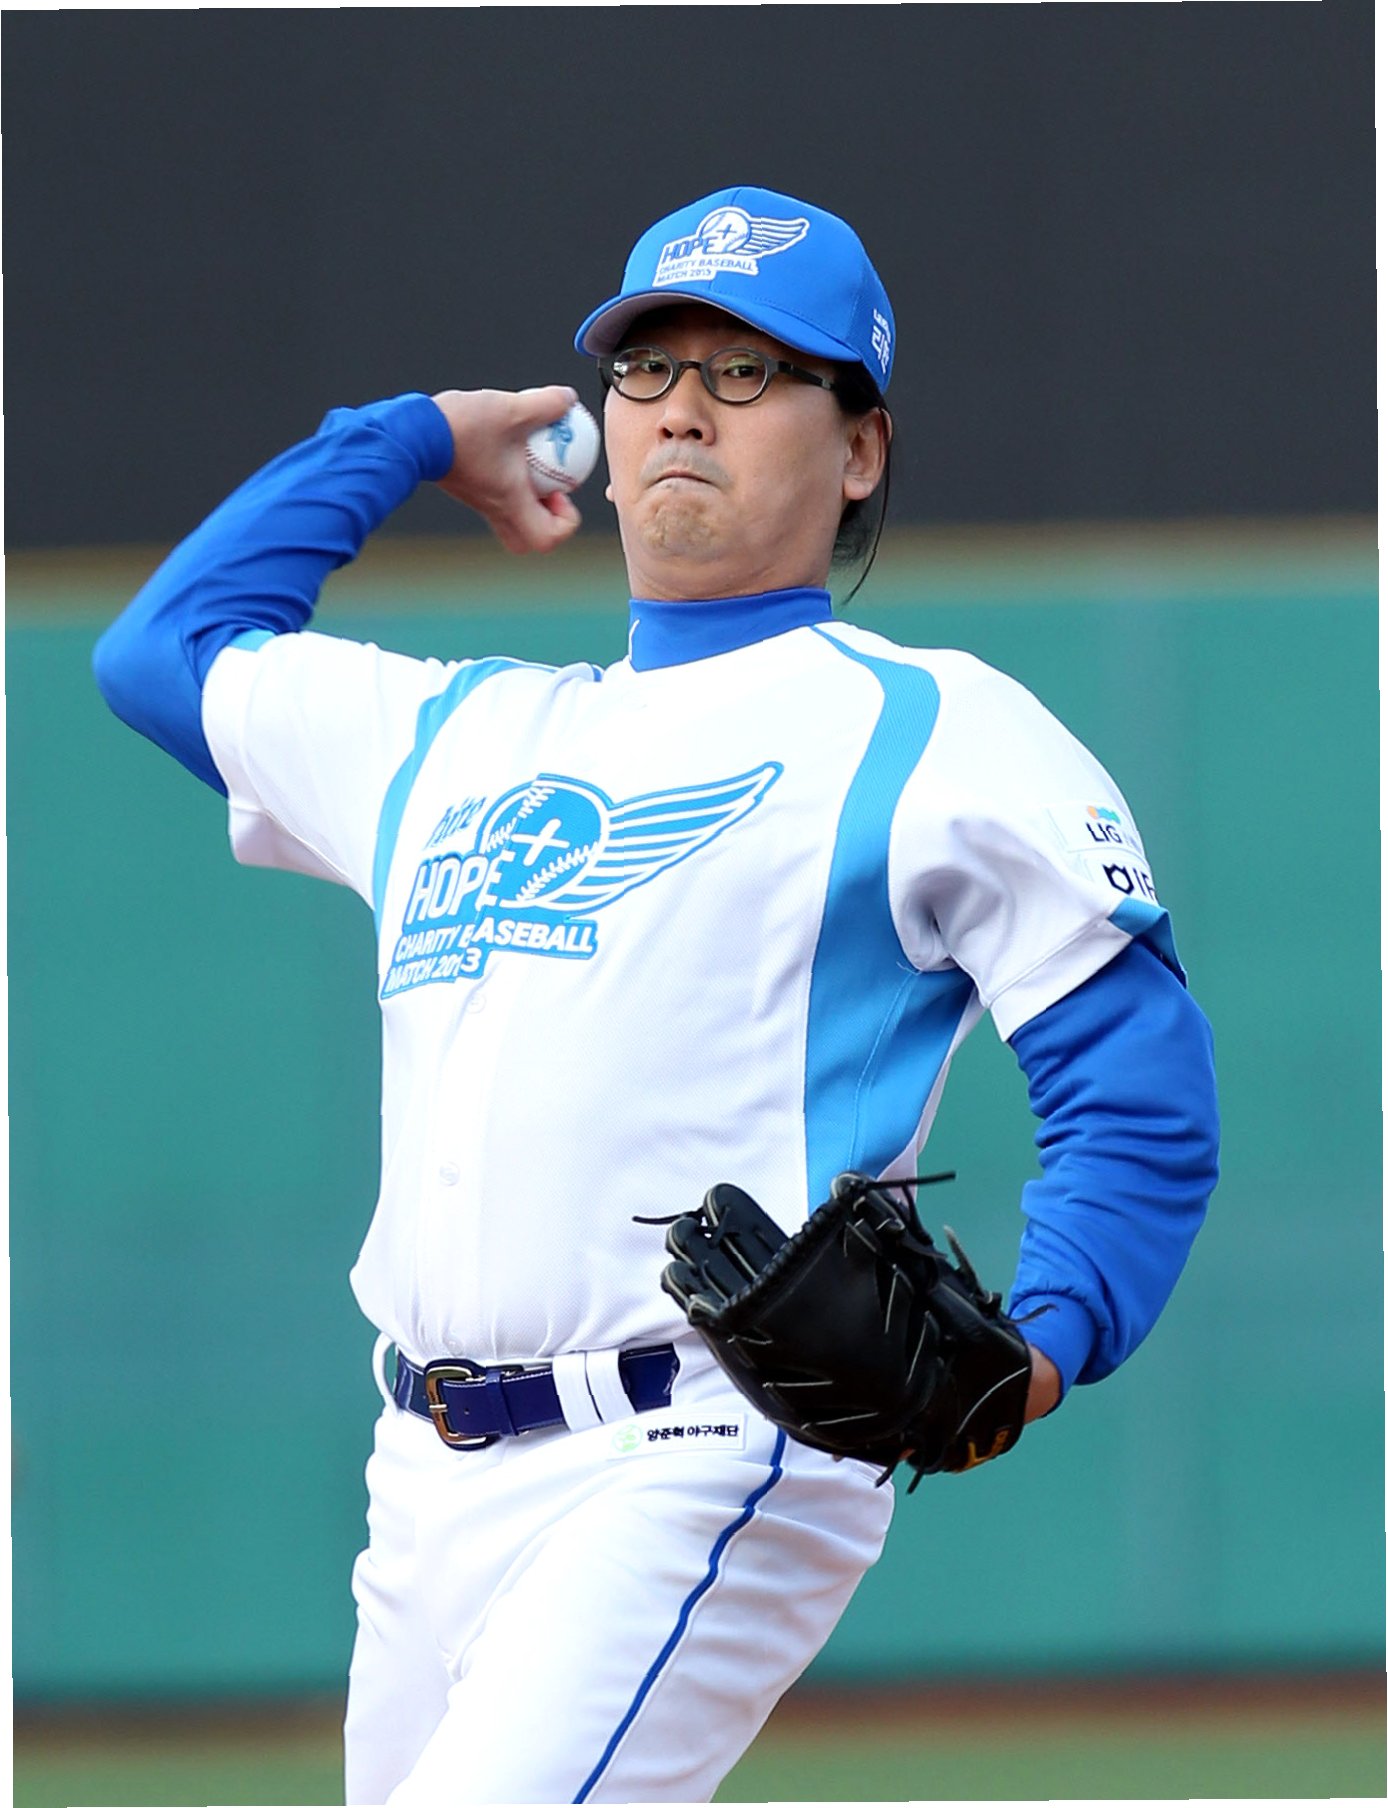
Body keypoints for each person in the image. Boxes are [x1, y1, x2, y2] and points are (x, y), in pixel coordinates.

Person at [93, 185, 1219, 1805]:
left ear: (860, 448)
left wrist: (1037, 1346)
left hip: (697, 1444)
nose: (685, 405)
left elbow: (1136, 1086)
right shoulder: (451, 732)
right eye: (649, 367)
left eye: (749, 370)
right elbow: (161, 650)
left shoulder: (934, 727)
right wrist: (412, 436)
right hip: (422, 1474)